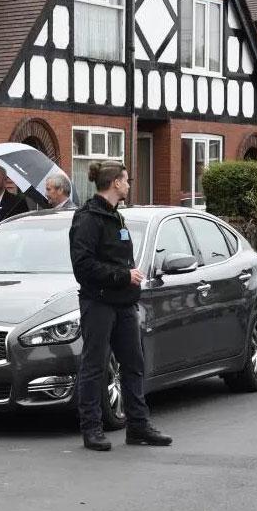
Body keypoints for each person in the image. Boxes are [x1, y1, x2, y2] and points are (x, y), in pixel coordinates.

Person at [69, 161, 172, 452]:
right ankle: (92, 429)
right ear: (115, 182)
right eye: (126, 180)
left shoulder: (116, 216)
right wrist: (122, 275)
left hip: (125, 303)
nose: (128, 184)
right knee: (94, 366)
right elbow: (83, 266)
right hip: (98, 303)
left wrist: (128, 276)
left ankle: (138, 426)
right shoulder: (88, 218)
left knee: (133, 364)